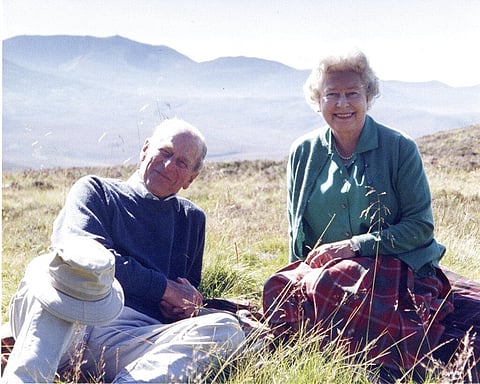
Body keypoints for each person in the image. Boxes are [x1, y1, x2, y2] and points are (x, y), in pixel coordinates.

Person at [262, 51, 480, 381]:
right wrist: (296, 274)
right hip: (327, 271)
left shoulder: (399, 147)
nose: (342, 103)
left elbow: (420, 228)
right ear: (317, 100)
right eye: (331, 94)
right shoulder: (303, 152)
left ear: (369, 96)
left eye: (352, 93)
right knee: (279, 290)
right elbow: (297, 230)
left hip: (394, 263)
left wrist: (353, 246)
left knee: (331, 284)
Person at [3, 118, 245, 383]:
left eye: (181, 162)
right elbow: (83, 258)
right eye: (165, 152)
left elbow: (182, 294)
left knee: (227, 329)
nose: (168, 165)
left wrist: (182, 308)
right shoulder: (96, 190)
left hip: (129, 339)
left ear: (191, 178)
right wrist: (164, 289)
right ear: (145, 149)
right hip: (66, 318)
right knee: (48, 272)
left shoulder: (191, 218)